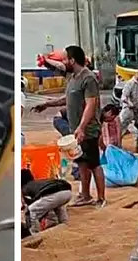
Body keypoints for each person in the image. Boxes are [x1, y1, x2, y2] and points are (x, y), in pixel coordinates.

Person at [32, 45, 107, 208]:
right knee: (81, 162)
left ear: (72, 60)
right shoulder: (73, 78)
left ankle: (101, 198)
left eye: (65, 59)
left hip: (88, 129)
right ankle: (85, 196)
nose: (63, 62)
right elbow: (68, 99)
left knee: (94, 163)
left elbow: (91, 104)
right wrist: (48, 104)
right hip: (76, 130)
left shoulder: (88, 78)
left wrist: (82, 127)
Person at [21, 168, 74, 235]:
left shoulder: (25, 188)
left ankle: (34, 235)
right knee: (56, 206)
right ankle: (64, 225)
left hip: (53, 194)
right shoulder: (38, 182)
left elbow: (32, 208)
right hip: (67, 191)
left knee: (30, 211)